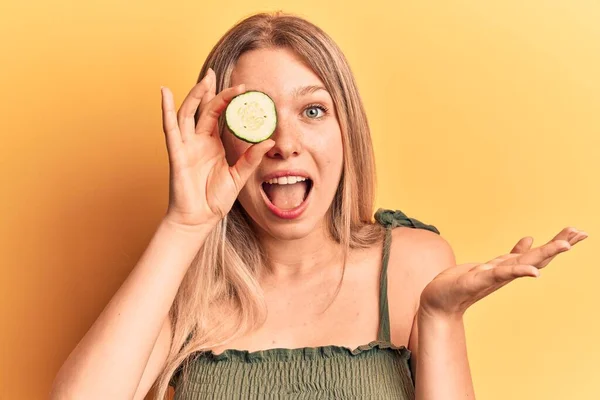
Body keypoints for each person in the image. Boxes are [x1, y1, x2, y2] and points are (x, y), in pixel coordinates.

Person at [50, 12, 588, 400]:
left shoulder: (411, 264)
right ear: (220, 135)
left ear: (346, 130)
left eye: (312, 109)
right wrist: (184, 225)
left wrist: (440, 316)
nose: (285, 142)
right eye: (256, 113)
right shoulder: (185, 285)